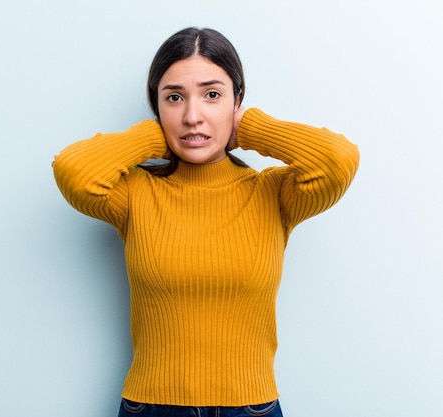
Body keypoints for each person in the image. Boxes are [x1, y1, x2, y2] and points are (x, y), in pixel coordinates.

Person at [52, 27, 359, 417]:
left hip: (252, 408)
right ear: (157, 106)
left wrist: (250, 128)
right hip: (151, 407)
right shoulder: (134, 195)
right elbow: (73, 169)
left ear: (237, 100)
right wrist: (152, 137)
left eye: (212, 95)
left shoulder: (274, 195)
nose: (192, 116)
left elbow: (338, 160)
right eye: (174, 98)